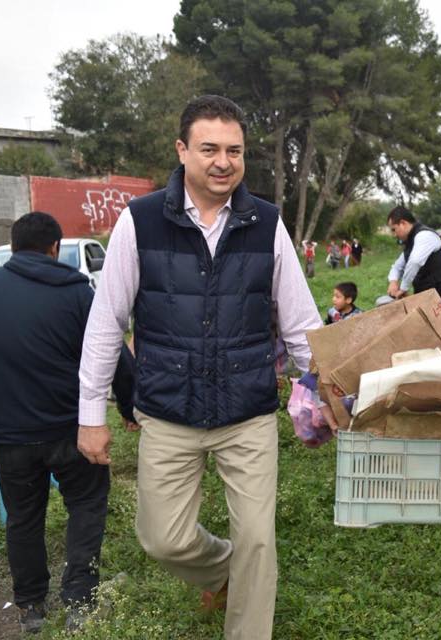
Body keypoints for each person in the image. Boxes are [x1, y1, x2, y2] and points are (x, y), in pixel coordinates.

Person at [77, 95, 325, 640]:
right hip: (169, 409)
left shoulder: (266, 223)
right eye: (209, 149)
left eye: (234, 151)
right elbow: (106, 322)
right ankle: (223, 570)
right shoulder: (140, 221)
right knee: (162, 538)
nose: (223, 162)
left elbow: (301, 323)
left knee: (258, 540)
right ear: (182, 150)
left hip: (247, 412)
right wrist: (90, 413)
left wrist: (329, 392)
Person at [0, 212, 136, 634]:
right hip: (72, 430)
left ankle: (31, 607)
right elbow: (114, 353)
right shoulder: (78, 293)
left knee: (22, 517)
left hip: (6, 435)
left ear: (13, 246)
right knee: (86, 505)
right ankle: (80, 601)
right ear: (55, 248)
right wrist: (130, 408)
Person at [386, 206, 441, 313]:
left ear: (403, 223)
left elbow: (415, 262)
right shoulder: (411, 242)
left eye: (394, 229)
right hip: (427, 301)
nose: (394, 234)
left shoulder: (425, 235)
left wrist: (403, 288)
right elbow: (397, 266)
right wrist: (393, 281)